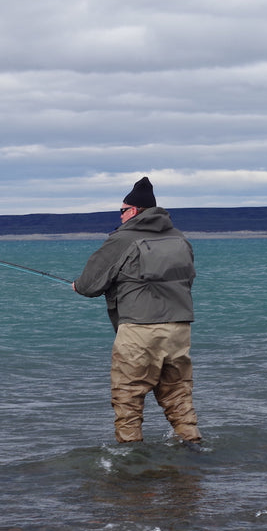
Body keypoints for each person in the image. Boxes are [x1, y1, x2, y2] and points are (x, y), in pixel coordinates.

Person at [72, 177, 201, 445]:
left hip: (139, 331)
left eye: (122, 210)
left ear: (134, 211)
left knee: (128, 398)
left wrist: (77, 286)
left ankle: (131, 463)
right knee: (178, 396)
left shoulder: (122, 240)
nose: (119, 216)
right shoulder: (180, 239)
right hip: (179, 328)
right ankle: (193, 451)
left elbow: (88, 285)